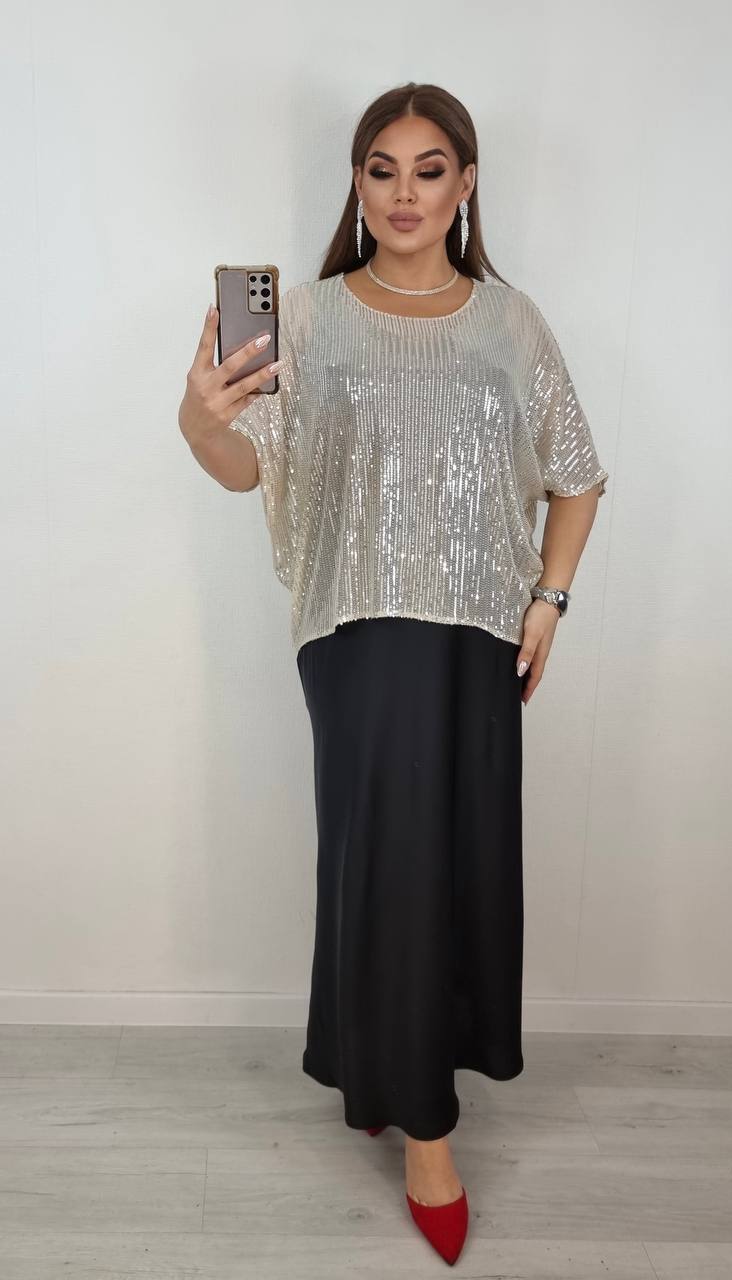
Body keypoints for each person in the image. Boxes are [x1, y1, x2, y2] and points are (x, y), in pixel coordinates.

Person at [179, 80, 608, 1268]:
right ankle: (426, 1129)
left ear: (465, 184)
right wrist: (200, 417)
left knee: (454, 862)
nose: (404, 192)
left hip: (478, 636)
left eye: (429, 169)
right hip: (358, 631)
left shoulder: (510, 322)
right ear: (357, 185)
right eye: (382, 169)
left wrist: (548, 600)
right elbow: (242, 465)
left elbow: (576, 472)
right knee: (390, 859)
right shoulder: (305, 320)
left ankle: (379, 1068)